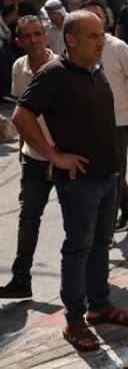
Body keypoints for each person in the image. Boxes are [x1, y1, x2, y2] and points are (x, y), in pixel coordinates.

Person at [11, 10, 128, 351]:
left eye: (102, 34)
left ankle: (99, 306)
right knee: (78, 248)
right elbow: (21, 115)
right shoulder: (53, 74)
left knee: (100, 246)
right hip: (79, 181)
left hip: (107, 176)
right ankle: (74, 321)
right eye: (93, 36)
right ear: (70, 39)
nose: (101, 42)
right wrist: (54, 155)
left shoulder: (95, 71)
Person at [0, 16, 58, 300]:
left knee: (78, 220)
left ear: (46, 36)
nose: (33, 40)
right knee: (28, 218)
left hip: (64, 157)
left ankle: (90, 278)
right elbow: (23, 116)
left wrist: (55, 156)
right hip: (34, 157)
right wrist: (25, 153)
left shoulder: (62, 67)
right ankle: (21, 279)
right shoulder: (18, 68)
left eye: (38, 34)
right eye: (27, 36)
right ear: (18, 41)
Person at [80, 1, 128, 234]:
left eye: (98, 16)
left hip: (119, 125)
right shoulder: (80, 50)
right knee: (111, 172)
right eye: (88, 17)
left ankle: (106, 229)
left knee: (114, 175)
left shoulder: (118, 47)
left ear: (105, 20)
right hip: (91, 125)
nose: (95, 21)